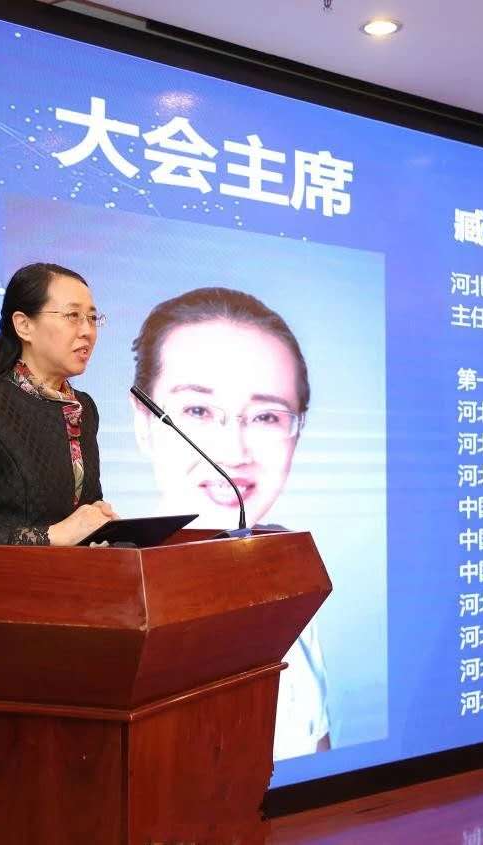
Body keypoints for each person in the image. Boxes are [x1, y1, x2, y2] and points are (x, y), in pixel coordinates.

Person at [131, 287, 330, 759]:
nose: (234, 452)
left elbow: (319, 765)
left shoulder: (289, 580)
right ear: (144, 421)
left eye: (266, 416)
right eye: (198, 411)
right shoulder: (109, 604)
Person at [0, 262, 118, 546]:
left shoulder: (82, 407)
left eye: (92, 318)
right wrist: (53, 536)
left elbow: (79, 513)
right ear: (24, 325)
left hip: (72, 573)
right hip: (5, 574)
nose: (87, 331)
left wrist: (98, 522)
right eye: (73, 316)